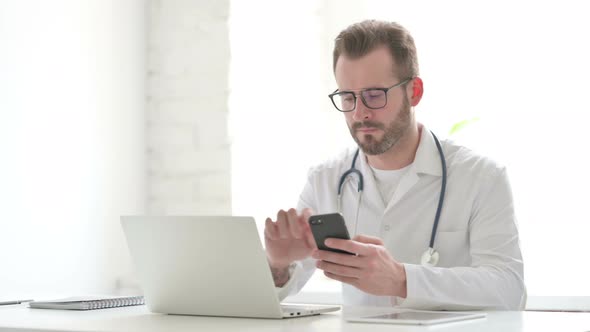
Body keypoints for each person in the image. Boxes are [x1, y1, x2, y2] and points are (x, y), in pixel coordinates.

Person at [264, 20, 525, 310]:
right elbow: (270, 294)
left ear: (414, 92)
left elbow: (509, 289)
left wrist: (402, 279)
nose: (360, 113)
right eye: (348, 97)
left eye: (374, 95)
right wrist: (278, 264)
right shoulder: (325, 180)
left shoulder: (481, 177)